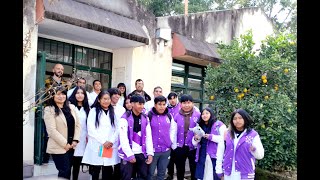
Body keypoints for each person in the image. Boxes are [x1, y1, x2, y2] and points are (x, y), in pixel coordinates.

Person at [43, 86, 81, 179]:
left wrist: (75, 140)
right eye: (58, 94)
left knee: (68, 171)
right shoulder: (49, 109)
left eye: (63, 94)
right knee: (64, 170)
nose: (61, 96)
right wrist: (65, 144)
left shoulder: (71, 107)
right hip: (59, 146)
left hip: (72, 146)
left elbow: (78, 125)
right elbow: (51, 130)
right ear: (53, 96)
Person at [82, 90, 121, 180]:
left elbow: (117, 128)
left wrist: (111, 140)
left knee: (107, 170)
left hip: (109, 145)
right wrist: (103, 141)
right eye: (104, 99)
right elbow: (91, 129)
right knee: (96, 170)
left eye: (108, 99)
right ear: (99, 100)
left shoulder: (113, 111)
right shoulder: (94, 111)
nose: (106, 101)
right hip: (98, 144)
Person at [216, 109, 264, 180]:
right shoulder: (227, 134)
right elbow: (220, 152)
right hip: (229, 173)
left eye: (240, 118)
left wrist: (254, 149)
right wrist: (219, 171)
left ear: (245, 118)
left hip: (245, 174)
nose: (237, 121)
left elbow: (260, 156)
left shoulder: (253, 135)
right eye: (235, 119)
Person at [118, 94, 154, 180]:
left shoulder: (145, 118)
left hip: (142, 153)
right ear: (132, 104)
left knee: (143, 177)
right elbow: (123, 139)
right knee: (127, 177)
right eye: (139, 104)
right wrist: (130, 155)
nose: (142, 106)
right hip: (128, 154)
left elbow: (149, 137)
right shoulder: (124, 118)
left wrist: (150, 153)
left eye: (143, 104)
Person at [147, 95, 177, 180]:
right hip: (153, 151)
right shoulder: (149, 116)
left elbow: (173, 129)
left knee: (162, 173)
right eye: (160, 104)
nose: (162, 107)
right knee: (150, 174)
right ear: (155, 105)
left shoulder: (169, 116)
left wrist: (170, 142)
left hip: (165, 151)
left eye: (164, 104)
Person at [192, 107, 227, 180]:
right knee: (202, 174)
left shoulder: (219, 125)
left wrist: (211, 137)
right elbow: (195, 143)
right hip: (202, 153)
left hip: (214, 155)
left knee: (212, 175)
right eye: (203, 114)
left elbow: (225, 138)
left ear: (211, 114)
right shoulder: (199, 125)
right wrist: (196, 139)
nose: (204, 115)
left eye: (207, 113)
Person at [173, 94, 201, 180]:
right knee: (180, 168)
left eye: (189, 102)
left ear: (192, 103)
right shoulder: (176, 116)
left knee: (194, 168)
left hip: (193, 146)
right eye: (184, 103)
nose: (186, 105)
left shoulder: (198, 115)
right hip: (180, 146)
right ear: (181, 104)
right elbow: (173, 131)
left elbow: (201, 130)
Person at [68, 86, 90, 180]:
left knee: (77, 164)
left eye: (82, 93)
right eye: (78, 93)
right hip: (70, 139)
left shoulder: (87, 109)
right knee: (68, 165)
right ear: (74, 94)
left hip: (82, 139)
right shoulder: (69, 107)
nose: (80, 95)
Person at [166, 92, 181, 180]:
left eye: (174, 98)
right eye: (170, 99)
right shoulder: (166, 109)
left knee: (178, 160)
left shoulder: (181, 107)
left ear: (177, 98)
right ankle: (170, 175)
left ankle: (179, 176)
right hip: (169, 137)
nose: (172, 100)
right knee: (169, 160)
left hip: (179, 138)